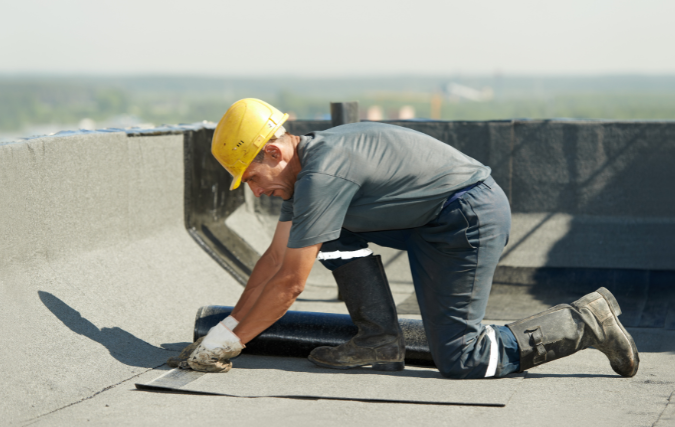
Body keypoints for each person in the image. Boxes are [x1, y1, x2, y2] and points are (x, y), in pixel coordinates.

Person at [186, 98, 639, 379]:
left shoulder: (322, 174)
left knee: (463, 358)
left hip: (466, 219)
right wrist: (225, 330)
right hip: (431, 220)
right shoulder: (305, 174)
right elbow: (274, 261)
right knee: (328, 232)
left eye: (251, 177)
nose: (255, 190)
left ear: (272, 151)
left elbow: (289, 285)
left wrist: (229, 344)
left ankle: (582, 322)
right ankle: (379, 339)